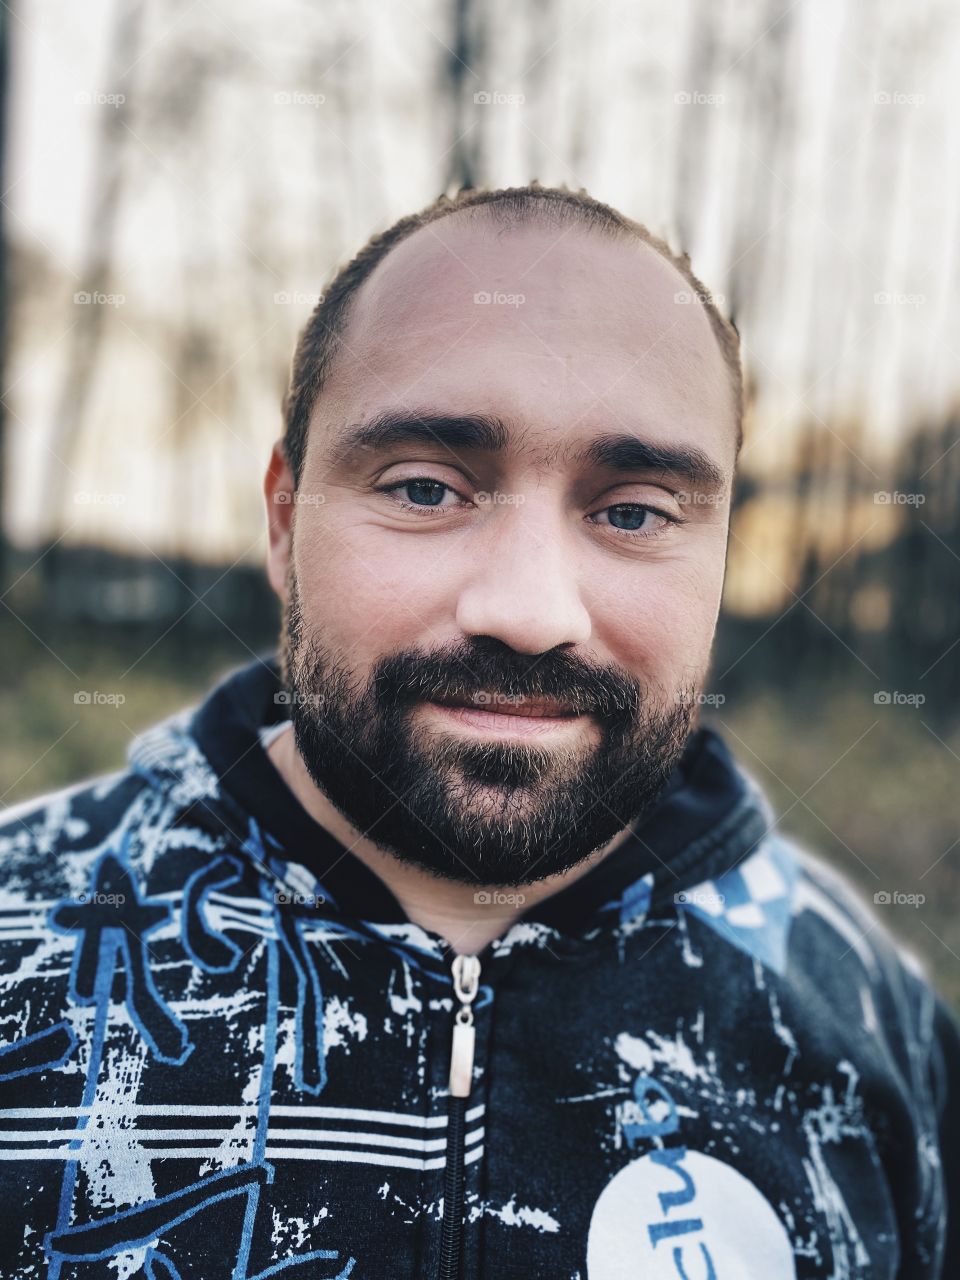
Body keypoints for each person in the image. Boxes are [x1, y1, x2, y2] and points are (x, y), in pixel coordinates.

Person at [0, 183, 955, 1280]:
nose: (529, 610)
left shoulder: (871, 1024)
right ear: (285, 518)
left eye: (633, 511)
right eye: (425, 489)